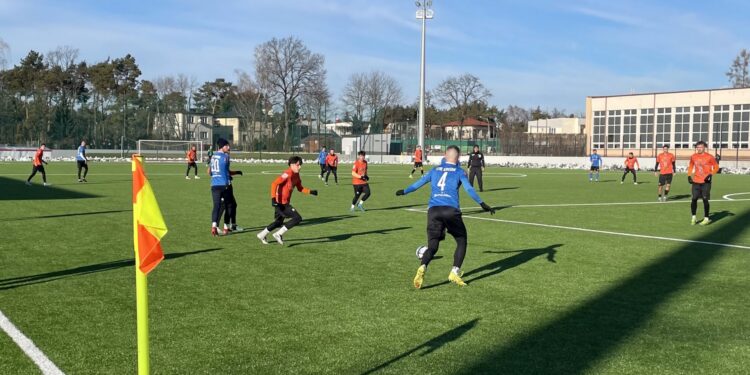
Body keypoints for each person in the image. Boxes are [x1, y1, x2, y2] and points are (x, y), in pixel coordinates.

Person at [396, 145, 496, 289]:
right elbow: (469, 189)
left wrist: (404, 191)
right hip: (451, 210)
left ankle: (423, 265)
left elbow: (418, 183)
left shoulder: (435, 170)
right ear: (458, 157)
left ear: (444, 155)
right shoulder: (459, 171)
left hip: (433, 211)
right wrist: (482, 203)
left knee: (433, 246)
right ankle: (454, 272)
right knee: (461, 240)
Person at [257, 156, 318, 245]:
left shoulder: (296, 175)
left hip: (285, 202)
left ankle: (262, 234)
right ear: (292, 165)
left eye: (300, 165)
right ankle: (278, 234)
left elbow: (300, 188)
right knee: (297, 218)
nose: (300, 167)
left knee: (278, 222)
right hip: (280, 203)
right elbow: (274, 184)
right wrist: (273, 199)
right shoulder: (287, 174)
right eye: (298, 165)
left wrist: (310, 192)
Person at [209, 138, 242, 236]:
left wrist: (218, 174)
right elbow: (227, 171)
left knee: (216, 206)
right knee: (229, 205)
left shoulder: (213, 157)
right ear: (222, 147)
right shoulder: (226, 156)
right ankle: (226, 228)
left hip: (214, 185)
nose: (229, 147)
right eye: (227, 145)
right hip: (225, 185)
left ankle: (214, 226)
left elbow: (210, 172)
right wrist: (234, 173)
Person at [687, 141, 718, 225]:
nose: (698, 148)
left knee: (705, 199)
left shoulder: (710, 157)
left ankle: (706, 218)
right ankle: (693, 217)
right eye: (697, 147)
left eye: (700, 147)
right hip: (696, 181)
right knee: (694, 199)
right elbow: (691, 166)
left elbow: (716, 167)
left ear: (704, 147)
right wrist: (689, 175)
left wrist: (710, 174)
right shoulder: (693, 156)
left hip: (706, 182)